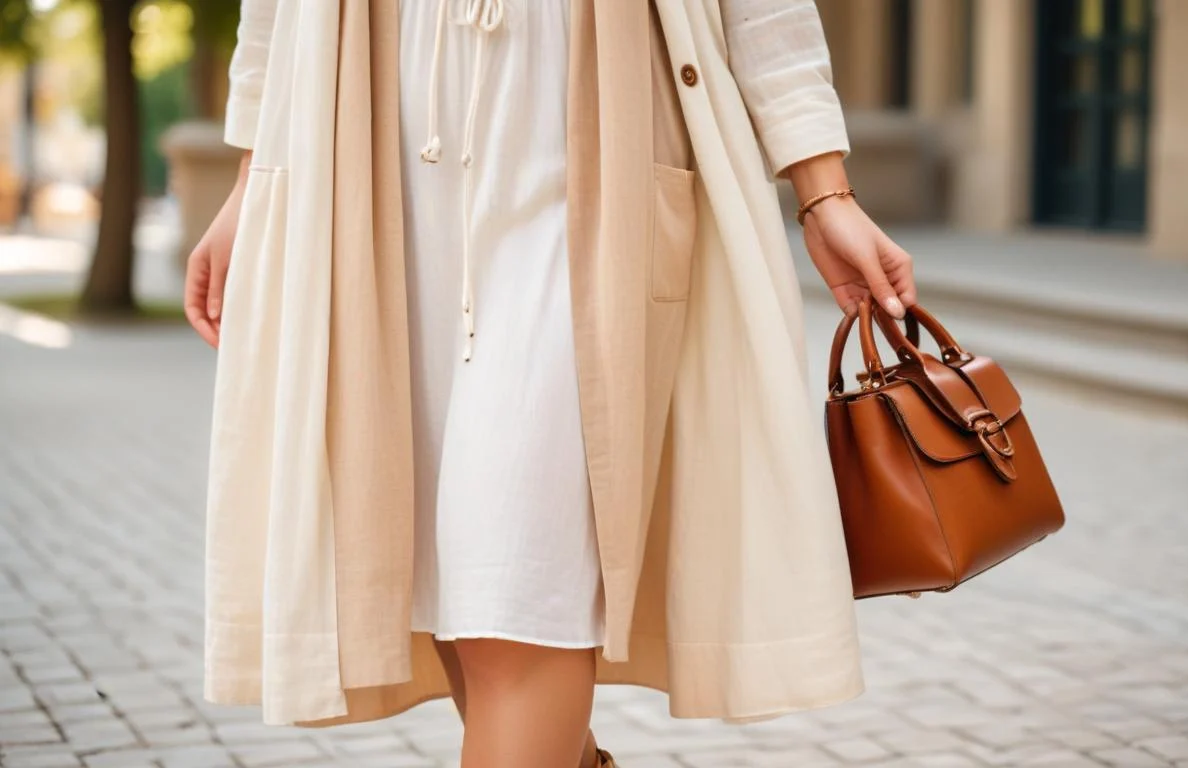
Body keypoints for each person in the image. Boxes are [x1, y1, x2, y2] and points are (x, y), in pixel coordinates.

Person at [184, 1, 916, 766]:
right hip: (376, 163)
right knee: (460, 595)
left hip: (591, 155)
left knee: (513, 594)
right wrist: (252, 175)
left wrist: (824, 189)